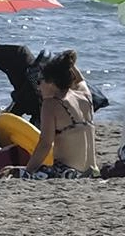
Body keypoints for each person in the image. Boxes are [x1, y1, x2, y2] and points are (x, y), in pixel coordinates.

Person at [19, 49, 97, 177]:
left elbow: (45, 143)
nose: (38, 87)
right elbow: (80, 80)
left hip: (68, 173)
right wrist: (67, 63)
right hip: (92, 172)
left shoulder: (51, 104)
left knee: (9, 172)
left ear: (51, 83)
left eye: (40, 81)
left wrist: (28, 171)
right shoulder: (85, 96)